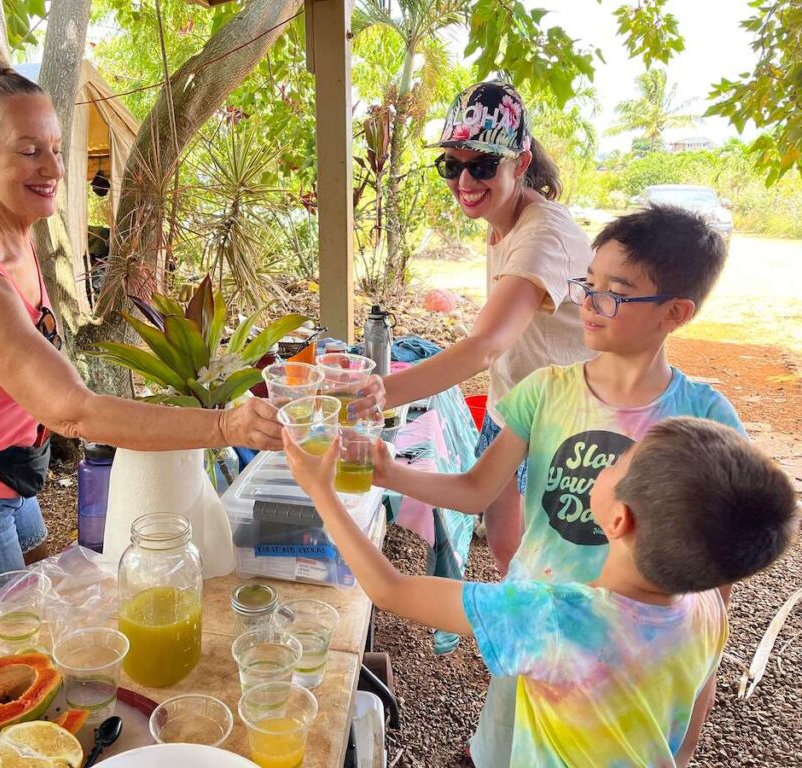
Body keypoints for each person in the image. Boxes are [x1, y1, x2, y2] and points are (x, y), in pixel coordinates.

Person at [0, 42, 282, 644]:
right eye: (27, 151)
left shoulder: (17, 238)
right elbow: (72, 409)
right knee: (7, 663)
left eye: (53, 149)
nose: (52, 168)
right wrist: (227, 427)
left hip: (10, 477)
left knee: (60, 620)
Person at [366, 205, 747, 765]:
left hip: (629, 650)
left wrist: (686, 738)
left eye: (613, 293)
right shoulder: (546, 391)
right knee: (503, 750)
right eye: (587, 284)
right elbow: (477, 489)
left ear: (676, 312)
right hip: (535, 618)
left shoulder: (705, 420)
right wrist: (391, 473)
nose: (587, 304)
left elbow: (713, 589)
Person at [284, 417, 797, 767]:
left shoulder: (551, 619)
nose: (604, 464)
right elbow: (698, 697)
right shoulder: (707, 606)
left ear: (618, 519)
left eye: (617, 464)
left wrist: (321, 494)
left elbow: (390, 588)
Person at [354, 81, 592, 577]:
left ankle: (546, 648)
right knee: (507, 545)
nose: (465, 181)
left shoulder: (543, 233)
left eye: (482, 166)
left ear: (521, 164)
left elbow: (484, 346)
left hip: (561, 420)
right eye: (452, 165)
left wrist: (377, 394)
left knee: (549, 566)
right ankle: (517, 636)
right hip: (514, 402)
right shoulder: (501, 222)